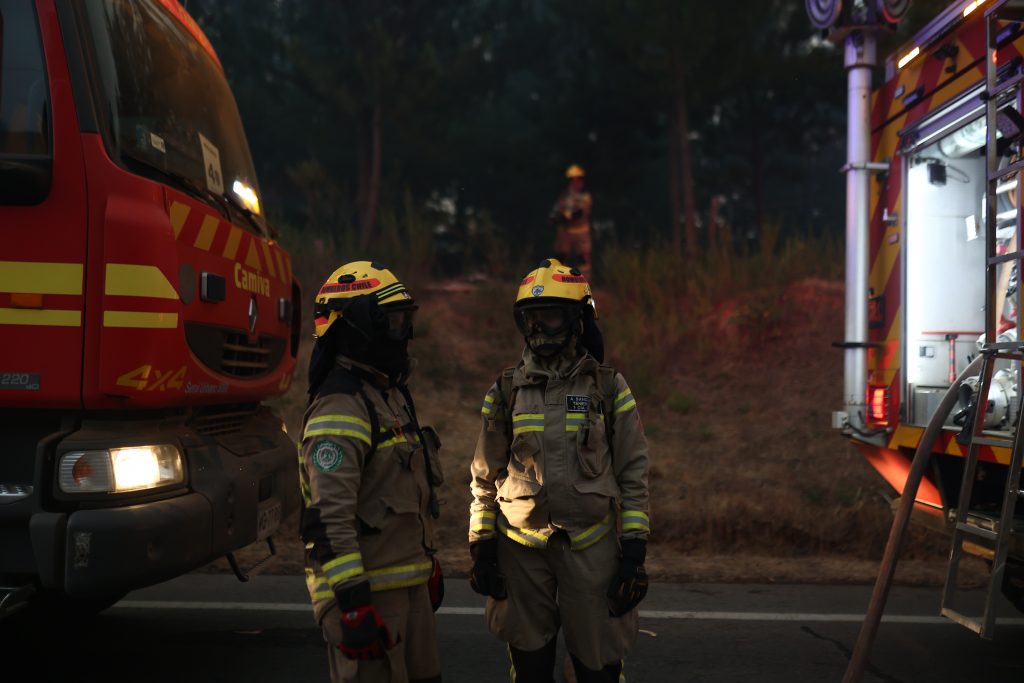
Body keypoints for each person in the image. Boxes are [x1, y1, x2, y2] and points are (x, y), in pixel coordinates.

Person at [468, 258, 651, 682]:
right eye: (530, 318)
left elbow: (633, 471)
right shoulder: (506, 389)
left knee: (598, 664)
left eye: (549, 317)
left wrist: (635, 551)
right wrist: (481, 543)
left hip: (591, 551)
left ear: (578, 320)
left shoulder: (608, 388)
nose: (538, 329)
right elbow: (483, 474)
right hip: (520, 553)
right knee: (530, 665)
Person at [300, 261, 444, 683]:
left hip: (407, 592)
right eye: (393, 322)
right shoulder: (340, 408)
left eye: (405, 320)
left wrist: (425, 565)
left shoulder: (388, 395)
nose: (403, 333)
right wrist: (353, 603)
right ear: (359, 327)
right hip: (367, 598)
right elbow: (329, 519)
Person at [550, 164, 594, 279]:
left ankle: (585, 285)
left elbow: (580, 213)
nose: (575, 182)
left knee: (583, 260)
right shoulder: (564, 195)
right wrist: (554, 218)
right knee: (560, 258)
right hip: (565, 232)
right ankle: (558, 284)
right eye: (572, 180)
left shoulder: (585, 196)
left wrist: (565, 216)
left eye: (577, 179)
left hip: (581, 232)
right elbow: (556, 211)